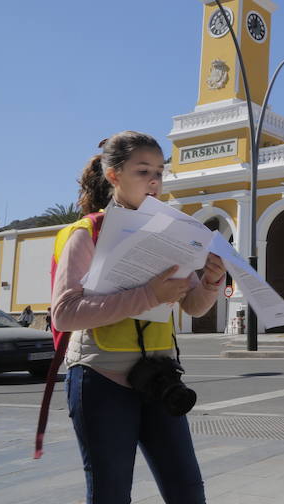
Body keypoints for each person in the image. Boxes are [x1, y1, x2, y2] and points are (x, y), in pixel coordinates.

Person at [51, 131, 225, 504]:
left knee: (188, 491)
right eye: (143, 171)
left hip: (160, 379)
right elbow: (64, 314)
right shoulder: (86, 234)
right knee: (111, 494)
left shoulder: (173, 233)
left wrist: (210, 281)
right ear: (114, 175)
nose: (154, 181)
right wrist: (149, 295)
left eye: (160, 173)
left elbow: (192, 306)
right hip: (100, 379)